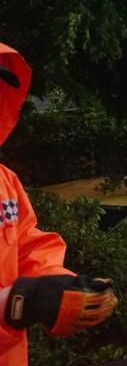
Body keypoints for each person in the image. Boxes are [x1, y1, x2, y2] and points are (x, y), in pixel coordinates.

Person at [0, 42, 118, 365]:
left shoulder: (5, 181)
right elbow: (14, 301)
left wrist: (57, 283)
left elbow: (27, 243)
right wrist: (13, 302)